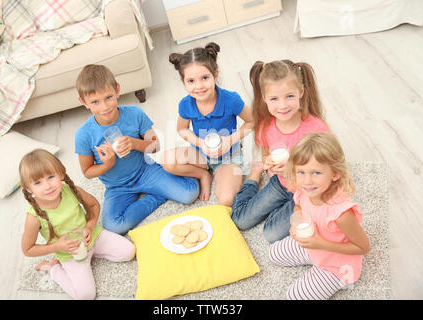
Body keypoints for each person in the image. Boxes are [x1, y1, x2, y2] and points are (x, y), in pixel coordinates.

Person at [74, 64, 199, 235]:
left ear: (117, 90)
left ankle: (182, 170)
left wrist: (134, 143)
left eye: (108, 97)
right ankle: (156, 196)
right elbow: (87, 172)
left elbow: (155, 146)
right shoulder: (83, 134)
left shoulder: (134, 113)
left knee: (189, 194)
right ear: (83, 102)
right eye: (95, 102)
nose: (104, 107)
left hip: (145, 171)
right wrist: (107, 164)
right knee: (113, 226)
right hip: (117, 187)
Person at [231, 59, 330, 242]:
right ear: (264, 98)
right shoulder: (266, 127)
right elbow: (266, 153)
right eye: (274, 99)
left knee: (271, 234)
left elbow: (327, 167)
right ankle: (254, 175)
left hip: (308, 189)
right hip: (281, 183)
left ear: (301, 92)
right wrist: (268, 164)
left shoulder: (315, 128)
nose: (283, 105)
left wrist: (293, 169)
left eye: (289, 96)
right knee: (240, 220)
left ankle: (290, 206)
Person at [20, 149, 136, 300]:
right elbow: (27, 249)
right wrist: (57, 247)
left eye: (50, 177)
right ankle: (53, 268)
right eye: (38, 182)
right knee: (86, 296)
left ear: (61, 174)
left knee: (129, 251)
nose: (47, 186)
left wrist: (89, 226)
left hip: (92, 237)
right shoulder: (33, 217)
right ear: (29, 189)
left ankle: (93, 254)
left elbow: (94, 205)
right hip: (69, 254)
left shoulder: (73, 191)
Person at [269, 133, 370, 300]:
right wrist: (296, 223)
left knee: (294, 297)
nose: (307, 181)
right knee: (274, 253)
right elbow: (299, 206)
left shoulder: (341, 213)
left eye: (316, 173)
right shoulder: (305, 190)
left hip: (337, 266)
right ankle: (313, 257)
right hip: (314, 245)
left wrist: (321, 244)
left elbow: (363, 248)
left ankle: (322, 269)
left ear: (335, 174)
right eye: (301, 172)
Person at [162, 42, 254, 206]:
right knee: (167, 161)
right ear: (184, 82)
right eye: (191, 81)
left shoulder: (231, 99)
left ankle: (220, 174)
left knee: (226, 199)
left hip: (228, 155)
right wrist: (200, 144)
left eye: (204, 78)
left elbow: (251, 121)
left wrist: (229, 141)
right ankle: (203, 175)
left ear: (215, 75)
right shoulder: (185, 104)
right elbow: (181, 129)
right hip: (201, 153)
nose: (198, 86)